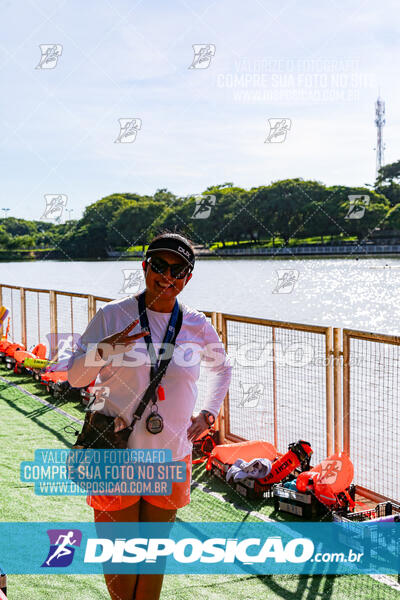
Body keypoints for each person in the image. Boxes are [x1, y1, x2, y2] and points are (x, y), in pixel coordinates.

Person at [67, 232, 232, 600]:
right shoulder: (114, 315)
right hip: (114, 455)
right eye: (159, 265)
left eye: (178, 269)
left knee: (152, 561)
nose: (167, 275)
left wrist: (208, 413)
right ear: (145, 267)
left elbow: (223, 368)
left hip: (170, 456)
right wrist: (105, 350)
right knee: (122, 566)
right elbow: (75, 378)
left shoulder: (195, 324)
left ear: (188, 278)